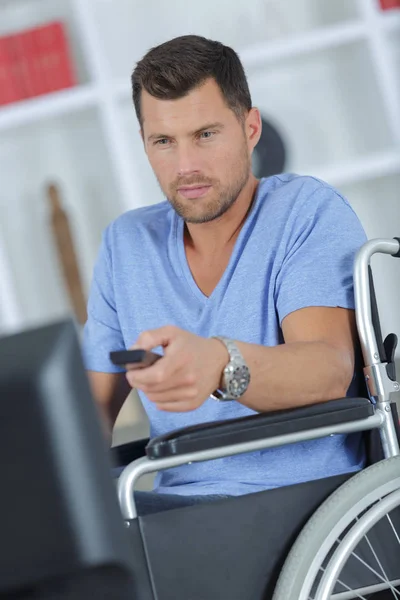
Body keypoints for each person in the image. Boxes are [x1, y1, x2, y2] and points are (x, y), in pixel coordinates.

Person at [82, 34, 368, 516]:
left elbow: (328, 370)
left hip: (297, 504)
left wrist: (219, 362)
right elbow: (88, 415)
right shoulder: (125, 245)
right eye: (164, 142)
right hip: (180, 510)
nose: (186, 166)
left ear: (250, 127)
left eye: (206, 135)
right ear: (145, 144)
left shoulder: (306, 211)